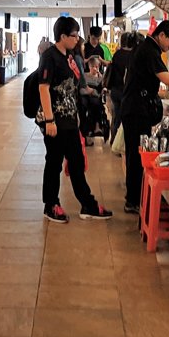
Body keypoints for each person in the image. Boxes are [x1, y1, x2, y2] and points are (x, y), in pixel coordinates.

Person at [38, 16, 112, 223]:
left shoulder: (69, 56)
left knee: (77, 162)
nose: (77, 38)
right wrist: (49, 121)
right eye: (74, 35)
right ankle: (51, 204)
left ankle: (87, 204)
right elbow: (43, 88)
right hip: (55, 121)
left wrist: (78, 115)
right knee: (53, 162)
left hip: (70, 119)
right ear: (62, 36)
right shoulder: (50, 57)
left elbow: (72, 88)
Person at [121, 20, 169, 214]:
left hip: (135, 108)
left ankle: (137, 197)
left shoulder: (147, 48)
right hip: (136, 110)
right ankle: (134, 200)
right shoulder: (149, 50)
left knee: (136, 154)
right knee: (136, 155)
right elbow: (165, 77)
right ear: (161, 35)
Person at [104, 31, 137, 150]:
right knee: (125, 119)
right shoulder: (133, 56)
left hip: (115, 91)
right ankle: (121, 145)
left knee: (116, 116)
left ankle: (113, 141)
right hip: (126, 92)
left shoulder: (117, 54)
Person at [79, 56, 105, 146]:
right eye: (93, 66)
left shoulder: (100, 77)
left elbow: (101, 90)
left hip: (95, 97)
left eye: (96, 67)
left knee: (96, 105)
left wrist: (100, 78)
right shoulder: (85, 76)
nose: (94, 68)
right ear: (89, 67)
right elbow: (81, 89)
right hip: (85, 96)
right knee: (83, 106)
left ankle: (97, 126)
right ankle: (86, 130)